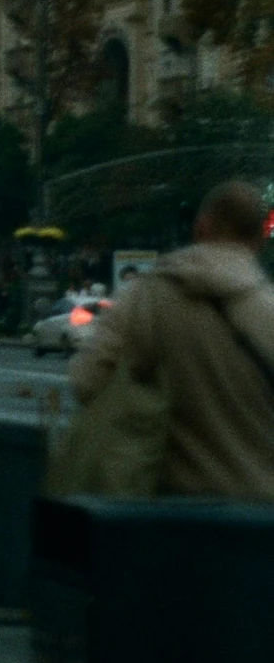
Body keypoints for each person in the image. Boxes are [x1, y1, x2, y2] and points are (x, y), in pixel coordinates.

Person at [71, 179, 274, 498]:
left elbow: (86, 381)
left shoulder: (145, 296)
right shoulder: (268, 309)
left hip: (166, 515)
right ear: (261, 239)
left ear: (200, 227)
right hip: (258, 521)